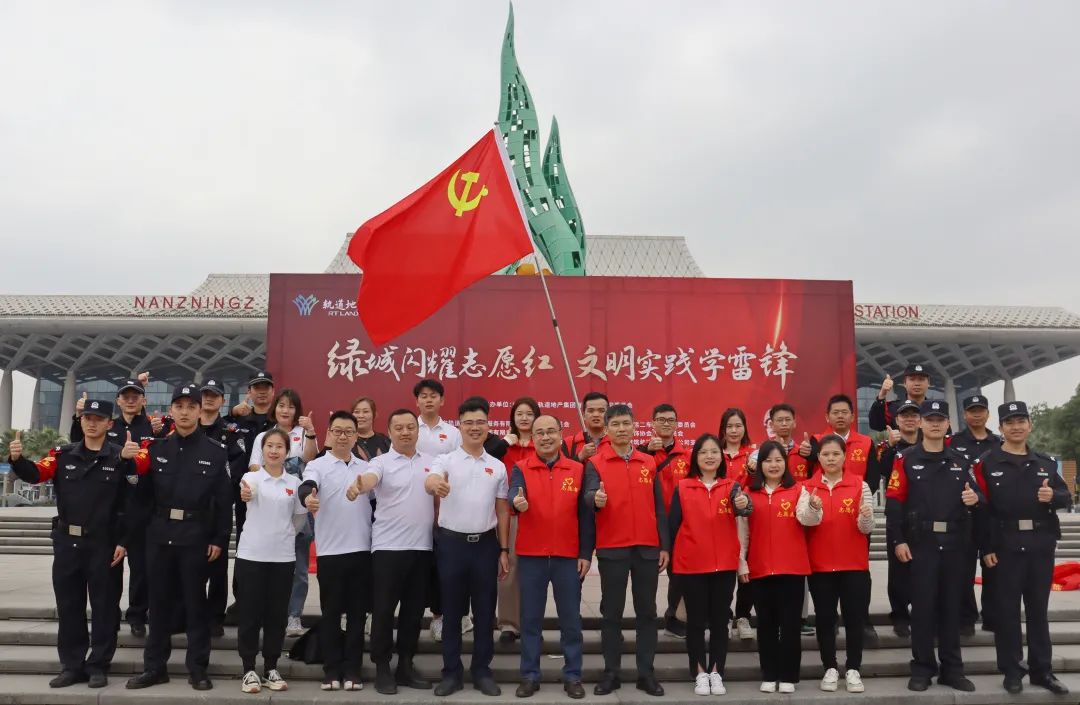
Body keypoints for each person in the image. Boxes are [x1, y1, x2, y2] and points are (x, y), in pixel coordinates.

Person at [7, 401, 137, 689]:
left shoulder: (120, 457)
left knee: (105, 608)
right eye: (87, 418)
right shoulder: (62, 455)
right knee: (69, 606)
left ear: (109, 424)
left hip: (104, 544)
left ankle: (99, 664)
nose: (91, 423)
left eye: (98, 418)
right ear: (81, 421)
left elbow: (132, 503)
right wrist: (17, 460)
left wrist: (124, 541)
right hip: (68, 543)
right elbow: (37, 474)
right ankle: (72, 665)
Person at [125, 383, 232, 692]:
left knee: (195, 605)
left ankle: (197, 669)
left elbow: (224, 502)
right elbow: (141, 498)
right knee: (158, 605)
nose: (185, 412)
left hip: (195, 537)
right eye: (179, 407)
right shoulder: (155, 449)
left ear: (200, 411)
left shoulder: (215, 452)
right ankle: (154, 668)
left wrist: (219, 539)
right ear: (171, 411)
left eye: (191, 407)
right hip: (159, 537)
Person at [885, 400, 983, 693]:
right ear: (921, 423)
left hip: (955, 545)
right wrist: (898, 540)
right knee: (923, 608)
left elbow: (980, 495)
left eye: (940, 419)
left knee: (952, 608)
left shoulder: (961, 461)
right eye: (930, 419)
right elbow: (894, 503)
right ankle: (922, 668)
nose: (935, 424)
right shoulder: (905, 459)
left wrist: (975, 499)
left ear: (948, 424)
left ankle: (953, 670)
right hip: (921, 544)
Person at [974, 401, 1070, 695]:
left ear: (1030, 425)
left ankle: (1042, 671)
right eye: (1010, 422)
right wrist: (986, 547)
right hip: (1005, 545)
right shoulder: (986, 463)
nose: (1016, 427)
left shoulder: (1044, 463)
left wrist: (1053, 496)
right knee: (1007, 611)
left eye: (1021, 421)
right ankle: (1012, 670)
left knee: (1038, 610)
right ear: (1000, 427)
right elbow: (981, 509)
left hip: (1040, 544)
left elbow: (1065, 496)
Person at [424, 397, 511, 697]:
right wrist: (436, 485)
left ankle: (482, 671)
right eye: (469, 423)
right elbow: (431, 480)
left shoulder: (497, 467)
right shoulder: (446, 461)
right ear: (459, 426)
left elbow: (502, 510)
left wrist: (504, 550)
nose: (475, 427)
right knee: (451, 611)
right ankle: (451, 673)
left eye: (480, 422)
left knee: (485, 613)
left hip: (485, 546)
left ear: (488, 426)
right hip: (452, 545)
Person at [344, 409, 435, 695]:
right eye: (399, 428)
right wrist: (361, 485)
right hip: (387, 549)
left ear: (417, 431)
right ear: (390, 431)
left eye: (410, 427)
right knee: (383, 611)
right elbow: (370, 478)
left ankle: (405, 665)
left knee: (413, 612)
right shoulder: (380, 462)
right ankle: (382, 667)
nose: (405, 432)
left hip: (422, 548)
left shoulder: (432, 462)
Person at [583, 404, 670, 697]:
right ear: (607, 430)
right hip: (613, 548)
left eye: (626, 424)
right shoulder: (596, 463)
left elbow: (659, 507)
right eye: (616, 424)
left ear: (634, 427)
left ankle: (646, 674)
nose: (621, 429)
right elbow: (588, 495)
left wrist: (664, 545)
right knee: (612, 614)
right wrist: (595, 499)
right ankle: (611, 673)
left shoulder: (649, 462)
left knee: (647, 612)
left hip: (647, 548)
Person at [508, 414, 594, 700]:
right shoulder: (521, 467)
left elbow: (585, 516)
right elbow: (513, 494)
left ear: (560, 434)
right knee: (530, 619)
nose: (545, 437)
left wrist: (585, 553)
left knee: (571, 620)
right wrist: (516, 502)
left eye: (550, 432)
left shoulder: (577, 469)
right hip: (531, 555)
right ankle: (529, 675)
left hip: (567, 556)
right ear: (532, 437)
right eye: (539, 433)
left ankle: (573, 675)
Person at [71, 376, 155, 638]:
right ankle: (111, 616)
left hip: (143, 507)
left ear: (143, 400)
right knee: (110, 568)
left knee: (141, 568)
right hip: (111, 509)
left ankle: (137, 614)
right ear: (118, 401)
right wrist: (77, 416)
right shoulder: (107, 425)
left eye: (135, 396)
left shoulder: (153, 428)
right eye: (125, 396)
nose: (130, 401)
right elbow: (80, 445)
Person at [668, 433, 751, 696]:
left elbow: (744, 508)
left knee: (719, 621)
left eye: (714, 451)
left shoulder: (731, 487)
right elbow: (672, 527)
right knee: (695, 622)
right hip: (691, 566)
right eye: (703, 452)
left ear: (721, 457)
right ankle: (700, 672)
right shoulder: (683, 487)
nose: (709, 456)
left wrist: (744, 503)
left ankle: (717, 671)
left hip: (723, 566)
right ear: (695, 458)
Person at [297, 411, 372, 691]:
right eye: (337, 431)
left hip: (362, 550)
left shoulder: (366, 468)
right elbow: (308, 486)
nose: (343, 436)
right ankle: (331, 670)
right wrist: (308, 498)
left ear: (355, 436)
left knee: (357, 615)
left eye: (348, 432)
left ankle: (353, 670)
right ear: (329, 434)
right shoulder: (319, 465)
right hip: (330, 552)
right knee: (330, 614)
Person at [797, 434, 875, 693]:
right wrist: (813, 507)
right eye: (825, 454)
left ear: (844, 456)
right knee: (825, 619)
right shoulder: (807, 488)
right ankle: (829, 667)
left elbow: (867, 528)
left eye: (836, 454)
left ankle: (853, 668)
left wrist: (865, 516)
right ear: (818, 458)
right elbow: (805, 521)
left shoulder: (860, 485)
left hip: (854, 566)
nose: (831, 459)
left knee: (854, 619)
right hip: (820, 567)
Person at [234, 429, 308, 694]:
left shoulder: (295, 483)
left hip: (282, 557)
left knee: (276, 616)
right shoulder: (251, 478)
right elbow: (246, 493)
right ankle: (248, 669)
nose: (274, 451)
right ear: (262, 450)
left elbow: (299, 519)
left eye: (279, 447)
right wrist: (246, 495)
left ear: (287, 452)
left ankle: (270, 667)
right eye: (270, 446)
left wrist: (283, 534)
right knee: (250, 614)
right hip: (251, 555)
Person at [738, 440, 810, 694]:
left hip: (792, 568)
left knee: (790, 625)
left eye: (778, 460)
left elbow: (809, 519)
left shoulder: (799, 490)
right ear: (760, 465)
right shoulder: (749, 493)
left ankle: (788, 675)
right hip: (760, 568)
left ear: (785, 463)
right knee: (766, 625)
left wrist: (814, 507)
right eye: (768, 460)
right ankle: (769, 674)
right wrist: (741, 562)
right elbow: (743, 533)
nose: (773, 465)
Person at [818, 393, 878, 643]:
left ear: (853, 416)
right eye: (836, 412)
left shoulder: (866, 442)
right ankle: (829, 621)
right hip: (825, 517)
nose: (840, 416)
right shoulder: (817, 442)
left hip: (858, 515)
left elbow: (873, 478)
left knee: (860, 571)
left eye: (845, 412)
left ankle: (862, 620)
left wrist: (860, 503)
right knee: (825, 573)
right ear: (827, 416)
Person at [412, 378, 466, 643]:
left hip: (446, 505)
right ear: (417, 401)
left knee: (444, 563)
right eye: (423, 395)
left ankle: (440, 617)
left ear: (442, 400)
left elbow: (460, 466)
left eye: (433, 395)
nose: (428, 400)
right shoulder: (409, 427)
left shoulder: (453, 433)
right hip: (414, 503)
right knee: (418, 563)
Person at [195, 378, 248, 637]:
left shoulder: (231, 432)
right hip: (188, 508)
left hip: (218, 507)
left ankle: (215, 616)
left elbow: (235, 468)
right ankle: (190, 613)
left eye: (214, 395)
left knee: (217, 566)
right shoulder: (186, 428)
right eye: (205, 394)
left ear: (222, 400)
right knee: (189, 565)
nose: (209, 398)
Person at [637, 403, 691, 640]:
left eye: (670, 420)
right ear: (652, 423)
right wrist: (647, 452)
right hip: (650, 522)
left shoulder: (687, 455)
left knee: (679, 574)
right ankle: (646, 621)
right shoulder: (640, 453)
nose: (666, 424)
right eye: (661, 419)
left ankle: (674, 618)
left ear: (677, 424)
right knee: (647, 575)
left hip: (679, 523)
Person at [950, 394, 1001, 636]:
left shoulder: (998, 442)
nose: (977, 414)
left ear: (988, 414)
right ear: (965, 415)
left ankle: (992, 617)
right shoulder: (953, 442)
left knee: (994, 567)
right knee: (963, 570)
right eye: (972, 410)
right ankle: (966, 618)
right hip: (965, 515)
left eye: (981, 410)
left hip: (993, 514)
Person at [871, 399, 921, 637]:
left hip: (925, 515)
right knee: (899, 570)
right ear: (897, 420)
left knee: (925, 569)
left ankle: (923, 613)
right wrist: (891, 446)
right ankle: (900, 615)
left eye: (914, 416)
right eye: (904, 416)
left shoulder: (930, 444)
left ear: (920, 420)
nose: (909, 420)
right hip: (899, 513)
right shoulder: (887, 446)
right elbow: (882, 471)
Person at [497, 396, 540, 644]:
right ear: (512, 417)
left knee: (534, 572)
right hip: (509, 515)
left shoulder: (543, 444)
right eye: (519, 414)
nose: (524, 418)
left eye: (529, 414)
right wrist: (505, 442)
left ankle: (531, 624)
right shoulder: (504, 446)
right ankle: (509, 624)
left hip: (537, 515)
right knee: (508, 569)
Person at [720, 407, 757, 640]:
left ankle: (743, 616)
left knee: (747, 569)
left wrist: (753, 472)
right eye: (729, 426)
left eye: (738, 426)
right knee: (723, 568)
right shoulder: (714, 453)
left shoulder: (753, 455)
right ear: (723, 429)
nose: (734, 431)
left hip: (747, 518)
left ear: (745, 428)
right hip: (720, 517)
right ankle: (724, 616)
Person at [226, 370, 277, 539]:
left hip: (274, 488)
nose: (262, 391)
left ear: (273, 391)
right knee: (244, 535)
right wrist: (232, 413)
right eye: (257, 387)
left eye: (266, 387)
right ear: (249, 392)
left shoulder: (279, 421)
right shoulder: (239, 420)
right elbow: (214, 427)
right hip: (244, 488)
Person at [248, 389, 318, 471]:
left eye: (291, 407)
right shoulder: (262, 436)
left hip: (299, 479)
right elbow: (254, 466)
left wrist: (310, 431)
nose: (285, 411)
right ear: (275, 408)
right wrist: (277, 475)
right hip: (269, 479)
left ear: (296, 411)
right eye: (281, 406)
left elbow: (311, 460)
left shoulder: (306, 433)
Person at [869, 362, 931, 431]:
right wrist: (881, 395)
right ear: (904, 383)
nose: (917, 383)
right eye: (912, 379)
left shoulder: (934, 409)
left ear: (928, 383)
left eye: (921, 379)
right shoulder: (893, 408)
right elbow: (876, 425)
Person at [562, 391, 610, 462]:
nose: (596, 414)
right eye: (591, 411)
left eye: (601, 411)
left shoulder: (616, 442)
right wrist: (580, 456)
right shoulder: (569, 443)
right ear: (583, 415)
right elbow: (561, 468)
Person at [351, 396, 391, 460]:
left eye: (365, 411)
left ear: (374, 415)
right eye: (357, 412)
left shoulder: (385, 441)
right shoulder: (346, 441)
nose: (361, 416)